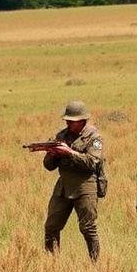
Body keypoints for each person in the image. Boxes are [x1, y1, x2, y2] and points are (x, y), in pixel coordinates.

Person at [36, 100, 104, 260]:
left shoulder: (94, 138)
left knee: (88, 228)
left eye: (71, 121)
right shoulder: (61, 136)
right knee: (51, 227)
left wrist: (69, 153)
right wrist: (52, 154)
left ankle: (95, 264)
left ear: (82, 120)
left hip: (84, 187)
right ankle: (52, 263)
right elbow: (48, 166)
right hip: (63, 188)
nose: (68, 123)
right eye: (67, 120)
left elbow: (92, 162)